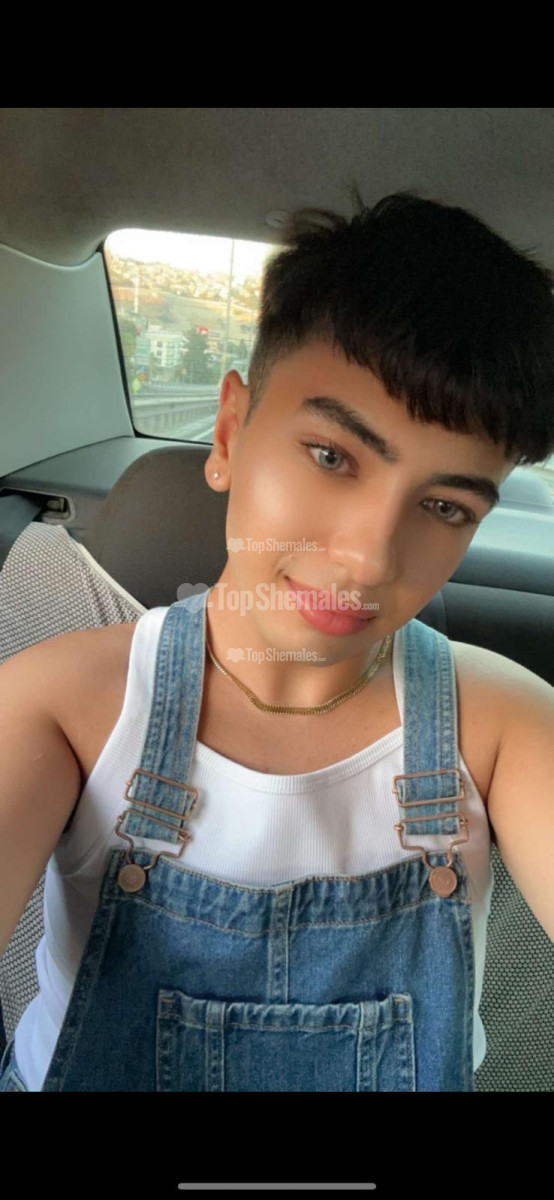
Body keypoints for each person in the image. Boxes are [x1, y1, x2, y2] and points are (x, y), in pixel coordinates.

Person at [1, 189, 553, 1091]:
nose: (369, 558)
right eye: (332, 456)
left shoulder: (505, 726)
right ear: (229, 432)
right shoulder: (59, 705)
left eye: (446, 507)